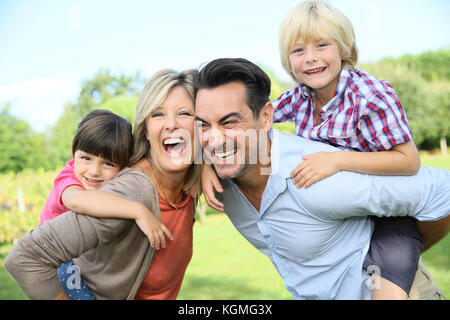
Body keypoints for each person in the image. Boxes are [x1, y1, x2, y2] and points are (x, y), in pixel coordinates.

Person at [201, 1, 424, 299]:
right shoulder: (299, 97)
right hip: (345, 222)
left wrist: (337, 161)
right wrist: (205, 164)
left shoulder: (370, 95)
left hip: (388, 218)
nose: (310, 58)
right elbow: (245, 122)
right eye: (298, 50)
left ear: (344, 49)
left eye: (321, 45)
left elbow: (409, 161)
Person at [5, 69, 200, 300]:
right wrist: (138, 210)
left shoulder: (188, 182)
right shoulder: (132, 192)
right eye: (158, 114)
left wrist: (205, 169)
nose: (171, 124)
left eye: (185, 113)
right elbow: (25, 258)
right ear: (145, 130)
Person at [38, 109, 174, 299]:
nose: (94, 171)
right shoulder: (67, 179)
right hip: (55, 258)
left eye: (108, 164)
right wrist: (138, 211)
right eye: (85, 158)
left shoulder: (119, 181)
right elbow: (77, 201)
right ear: (73, 152)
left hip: (85, 257)